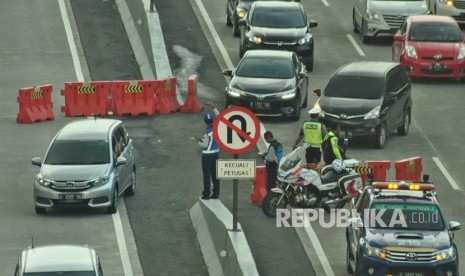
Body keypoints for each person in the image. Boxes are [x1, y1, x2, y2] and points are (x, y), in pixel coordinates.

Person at [197, 105, 220, 200]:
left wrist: (198, 141)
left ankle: (206, 194)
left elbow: (204, 145)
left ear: (205, 122)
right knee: (215, 175)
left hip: (207, 156)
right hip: (216, 155)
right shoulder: (218, 128)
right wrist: (214, 108)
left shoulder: (207, 132)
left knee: (207, 176)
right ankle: (216, 193)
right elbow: (220, 117)